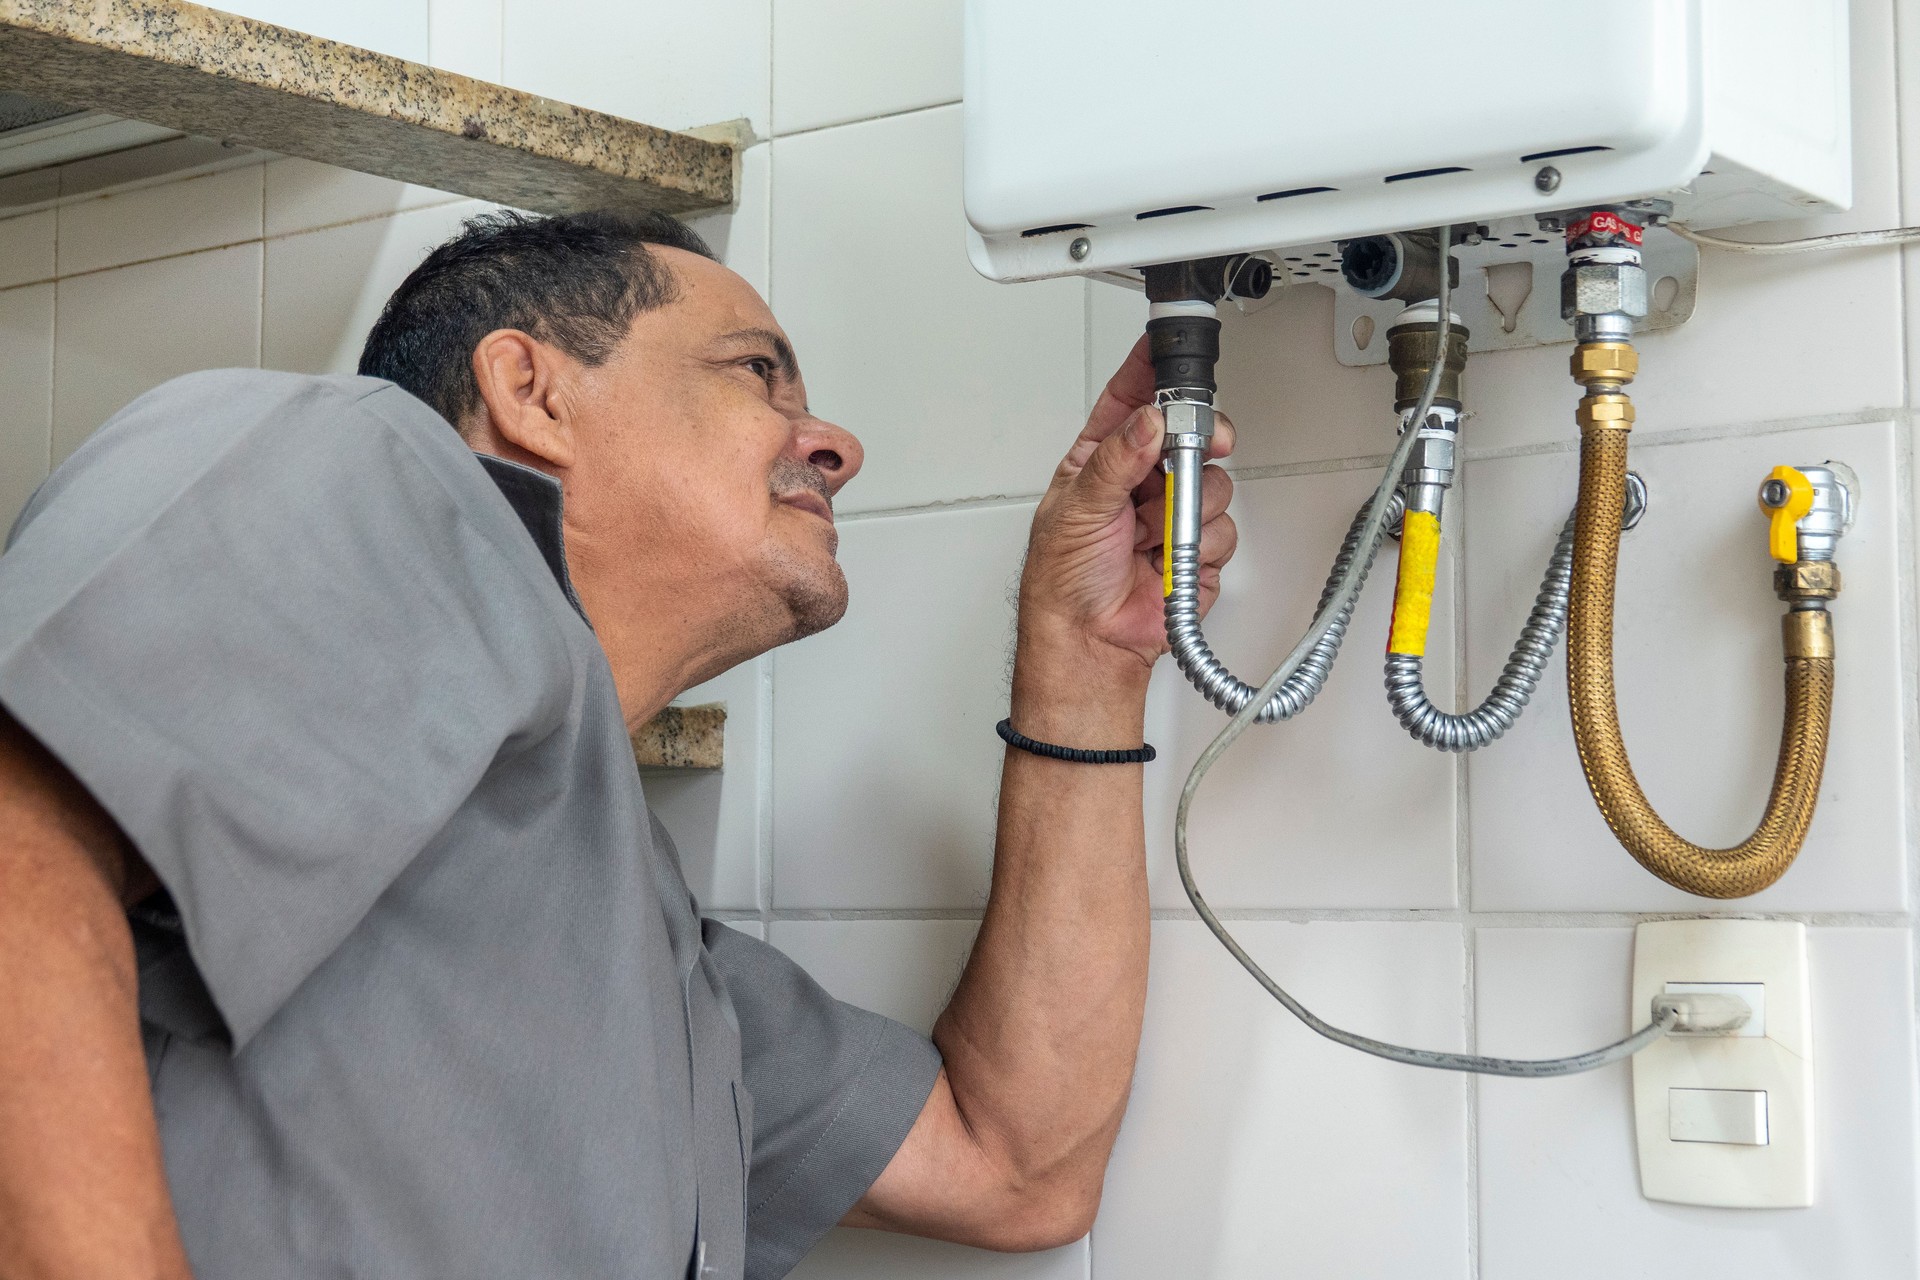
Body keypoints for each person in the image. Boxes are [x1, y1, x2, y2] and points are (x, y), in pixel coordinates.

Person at [0, 209, 1237, 1279]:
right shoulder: (363, 461)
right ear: (531, 391)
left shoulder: (644, 954)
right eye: (759, 373)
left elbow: (1014, 1164)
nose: (835, 445)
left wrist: (1086, 662)